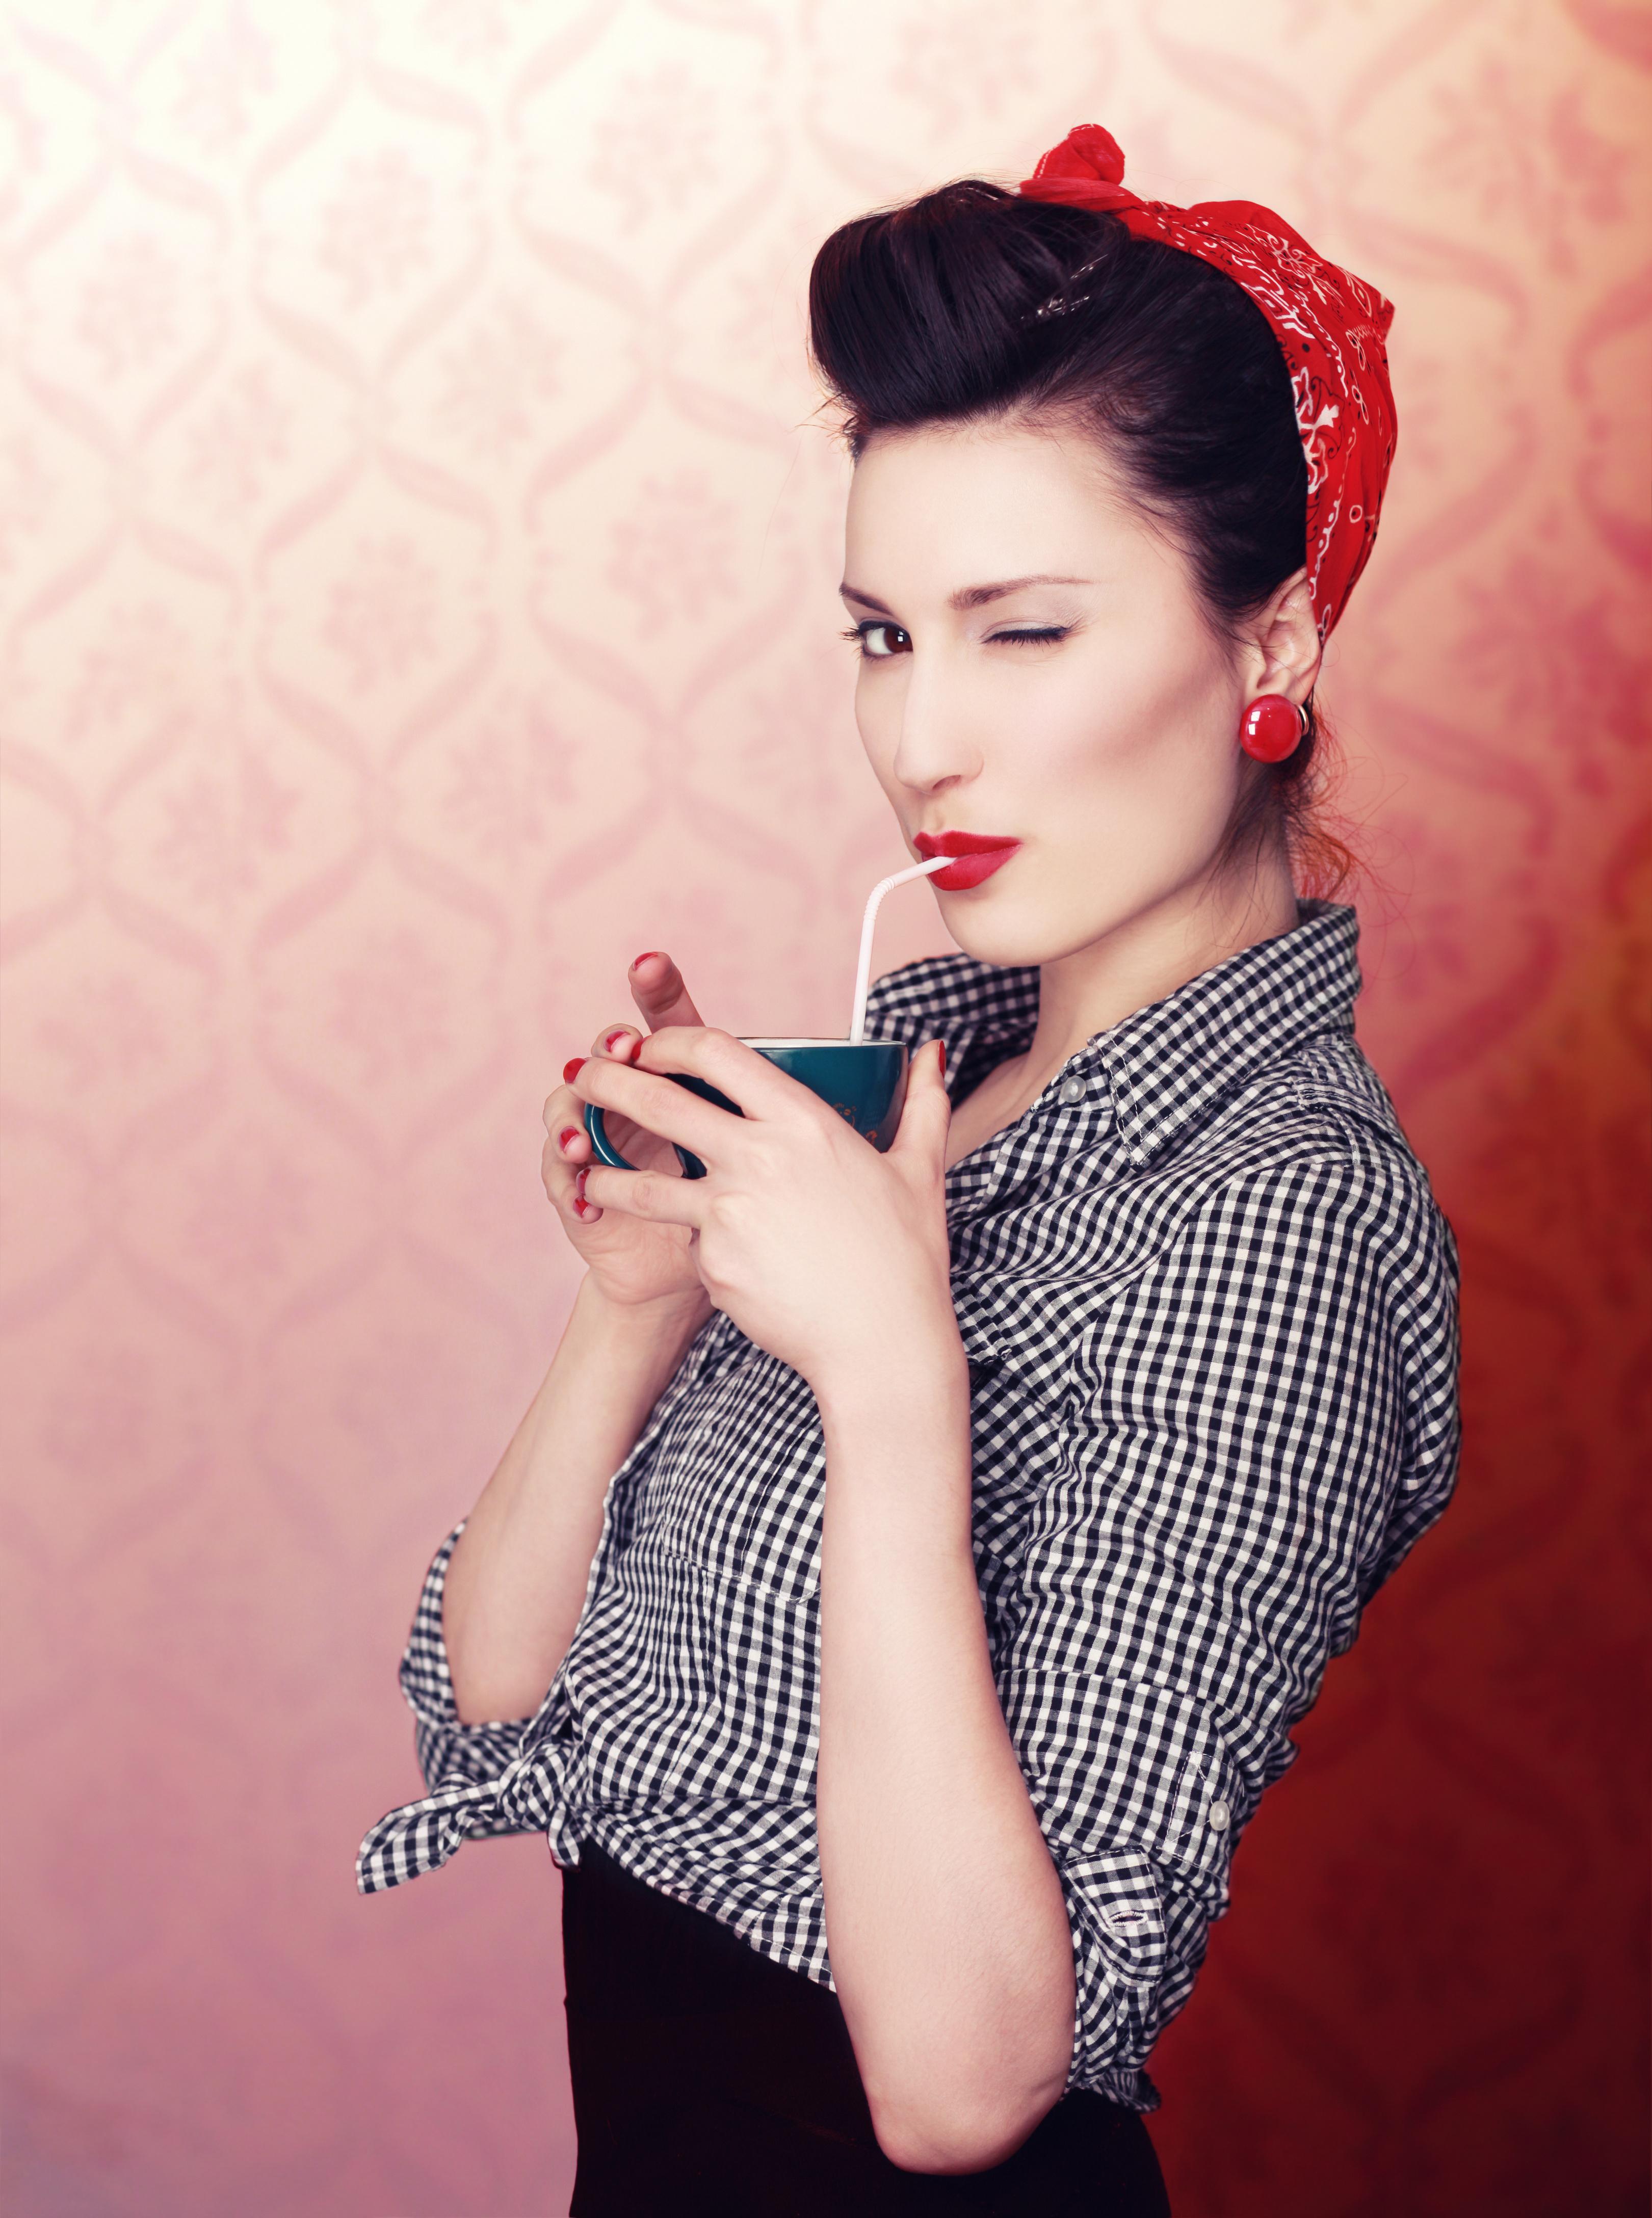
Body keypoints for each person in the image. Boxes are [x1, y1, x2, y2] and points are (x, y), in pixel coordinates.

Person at [358, 125, 1460, 2215]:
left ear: (1270, 648)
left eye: (1019, 632)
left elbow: (962, 2090)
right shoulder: (928, 1083)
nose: (919, 740)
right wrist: (633, 1305)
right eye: (882, 635)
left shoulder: (1282, 1215)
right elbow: (495, 1703)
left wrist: (887, 1375)